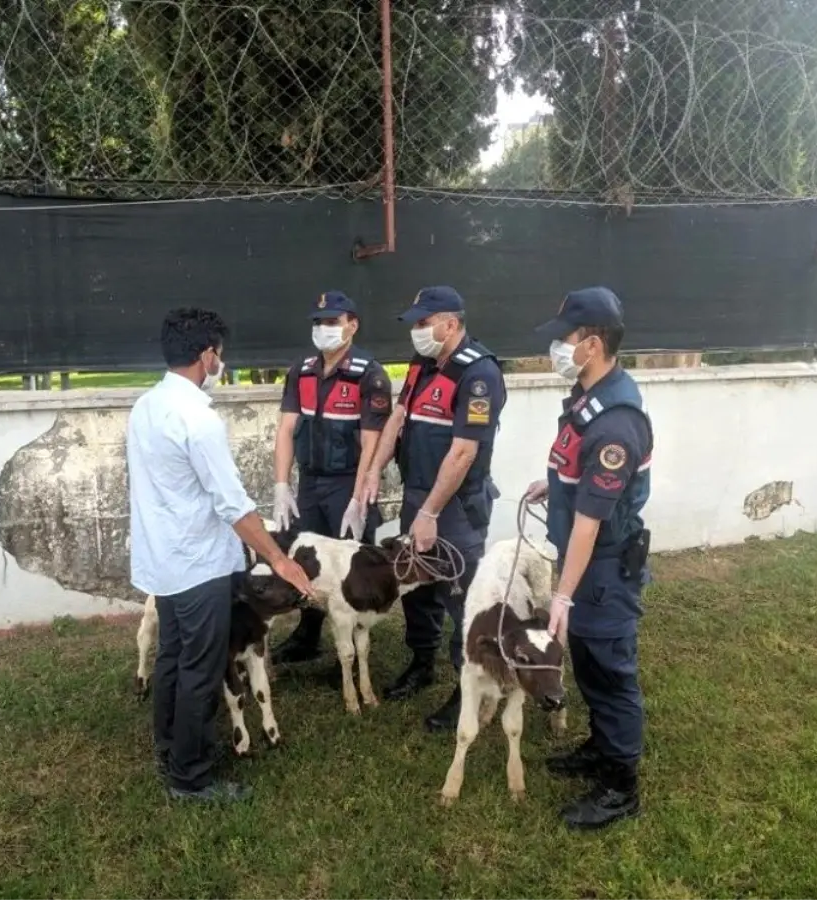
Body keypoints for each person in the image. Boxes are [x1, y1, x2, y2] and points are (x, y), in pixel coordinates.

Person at [127, 307, 315, 804]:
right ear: (207, 355)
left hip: (163, 562)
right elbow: (233, 505)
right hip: (197, 566)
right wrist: (279, 559)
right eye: (220, 355)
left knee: (172, 657)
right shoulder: (198, 419)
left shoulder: (146, 405)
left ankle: (169, 747)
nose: (221, 362)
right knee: (201, 669)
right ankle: (190, 778)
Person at [523, 285, 653, 830]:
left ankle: (621, 785)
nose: (556, 347)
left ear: (592, 344)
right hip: (587, 565)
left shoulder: (615, 423)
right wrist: (553, 486)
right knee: (590, 665)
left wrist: (561, 593)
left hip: (600, 568)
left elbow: (591, 519)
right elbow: (581, 481)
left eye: (564, 338)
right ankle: (601, 749)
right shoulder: (589, 398)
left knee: (610, 671)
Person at [362, 286, 506, 732]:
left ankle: (469, 687)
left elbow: (463, 453)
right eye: (416, 324)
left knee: (461, 599)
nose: (418, 331)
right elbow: (397, 419)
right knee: (418, 589)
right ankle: (421, 662)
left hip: (454, 507)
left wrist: (429, 514)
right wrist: (372, 470)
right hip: (417, 495)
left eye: (424, 323)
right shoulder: (424, 367)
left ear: (451, 323)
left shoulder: (479, 374)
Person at [270, 290, 393, 668]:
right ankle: (308, 637)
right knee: (308, 562)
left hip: (347, 483)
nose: (323, 329)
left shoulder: (368, 374)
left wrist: (358, 498)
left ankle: (355, 650)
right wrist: (281, 484)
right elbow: (286, 428)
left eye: (332, 322)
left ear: (352, 325)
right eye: (318, 322)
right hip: (311, 482)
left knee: (352, 568)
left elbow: (370, 441)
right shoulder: (302, 370)